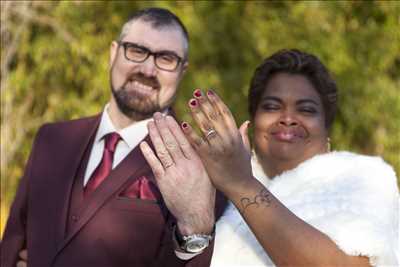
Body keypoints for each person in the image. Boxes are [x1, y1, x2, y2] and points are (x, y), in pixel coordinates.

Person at [1, 8, 225, 267]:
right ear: (113, 53)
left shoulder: (199, 165)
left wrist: (195, 226)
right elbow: (13, 242)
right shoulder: (51, 139)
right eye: (137, 51)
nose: (148, 69)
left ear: (182, 72)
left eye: (165, 58)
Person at [143, 49, 399, 266]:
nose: (287, 117)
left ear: (326, 126)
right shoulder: (214, 183)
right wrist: (195, 228)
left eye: (306, 109)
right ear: (254, 120)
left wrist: (241, 184)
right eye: (272, 106)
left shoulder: (364, 176)